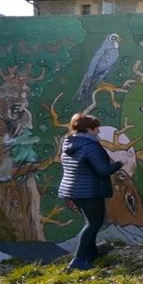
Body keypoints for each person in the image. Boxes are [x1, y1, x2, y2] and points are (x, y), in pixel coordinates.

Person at [58, 113, 123, 271]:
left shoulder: (69, 143)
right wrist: (119, 163)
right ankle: (78, 260)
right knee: (93, 223)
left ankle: (91, 253)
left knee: (90, 222)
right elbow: (103, 171)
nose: (98, 131)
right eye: (96, 128)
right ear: (88, 129)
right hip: (89, 191)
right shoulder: (90, 145)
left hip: (73, 190)